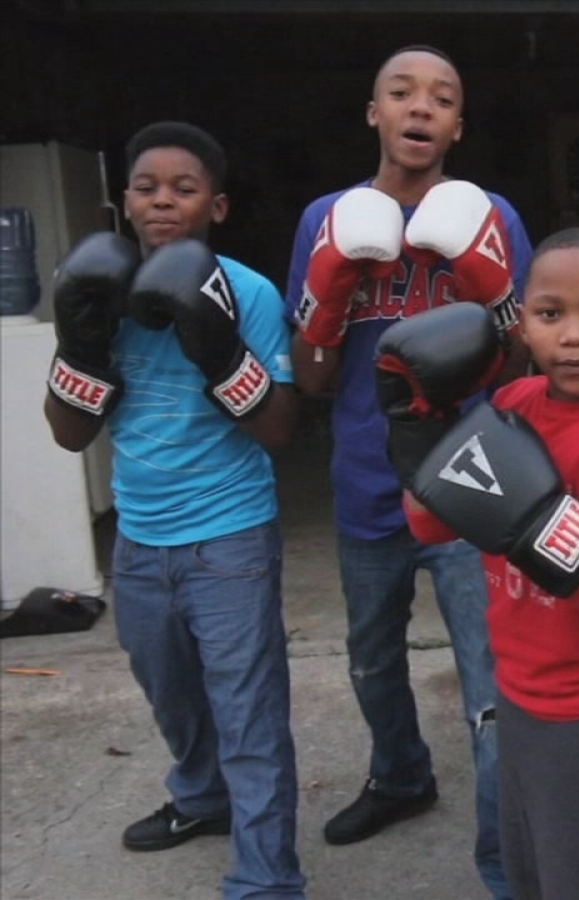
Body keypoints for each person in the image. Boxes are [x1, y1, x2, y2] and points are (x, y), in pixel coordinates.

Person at [282, 44, 532, 898]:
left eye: (441, 97)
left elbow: (531, 361)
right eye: (402, 92)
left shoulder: (490, 213)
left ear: (458, 125)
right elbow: (311, 378)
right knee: (371, 662)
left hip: (474, 481)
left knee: (491, 689)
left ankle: (503, 866)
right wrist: (331, 285)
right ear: (374, 113)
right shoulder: (327, 216)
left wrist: (488, 281)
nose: (420, 107)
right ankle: (399, 776)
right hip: (366, 483)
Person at [384, 228, 579, 899]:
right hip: (525, 687)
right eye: (551, 315)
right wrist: (418, 430)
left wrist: (535, 520)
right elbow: (431, 520)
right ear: (522, 323)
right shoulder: (515, 406)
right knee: (540, 874)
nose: (574, 336)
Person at [44, 121, 303, 899]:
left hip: (230, 537)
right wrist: (83, 349)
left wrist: (221, 351)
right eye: (147, 187)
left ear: (215, 206)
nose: (163, 201)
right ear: (122, 201)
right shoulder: (93, 287)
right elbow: (67, 435)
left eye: (183, 189)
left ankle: (265, 880)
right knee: (172, 694)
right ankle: (200, 799)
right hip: (140, 536)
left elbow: (280, 430)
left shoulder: (248, 292)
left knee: (248, 715)